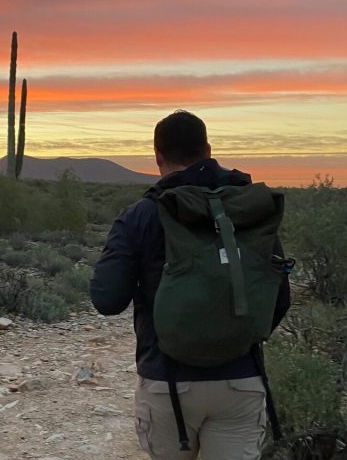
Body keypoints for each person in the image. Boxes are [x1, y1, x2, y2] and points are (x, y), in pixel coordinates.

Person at [89, 110, 290, 459]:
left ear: (158, 157)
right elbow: (280, 296)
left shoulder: (142, 214)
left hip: (168, 384)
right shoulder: (247, 209)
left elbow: (107, 299)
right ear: (209, 150)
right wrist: (239, 335)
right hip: (240, 380)